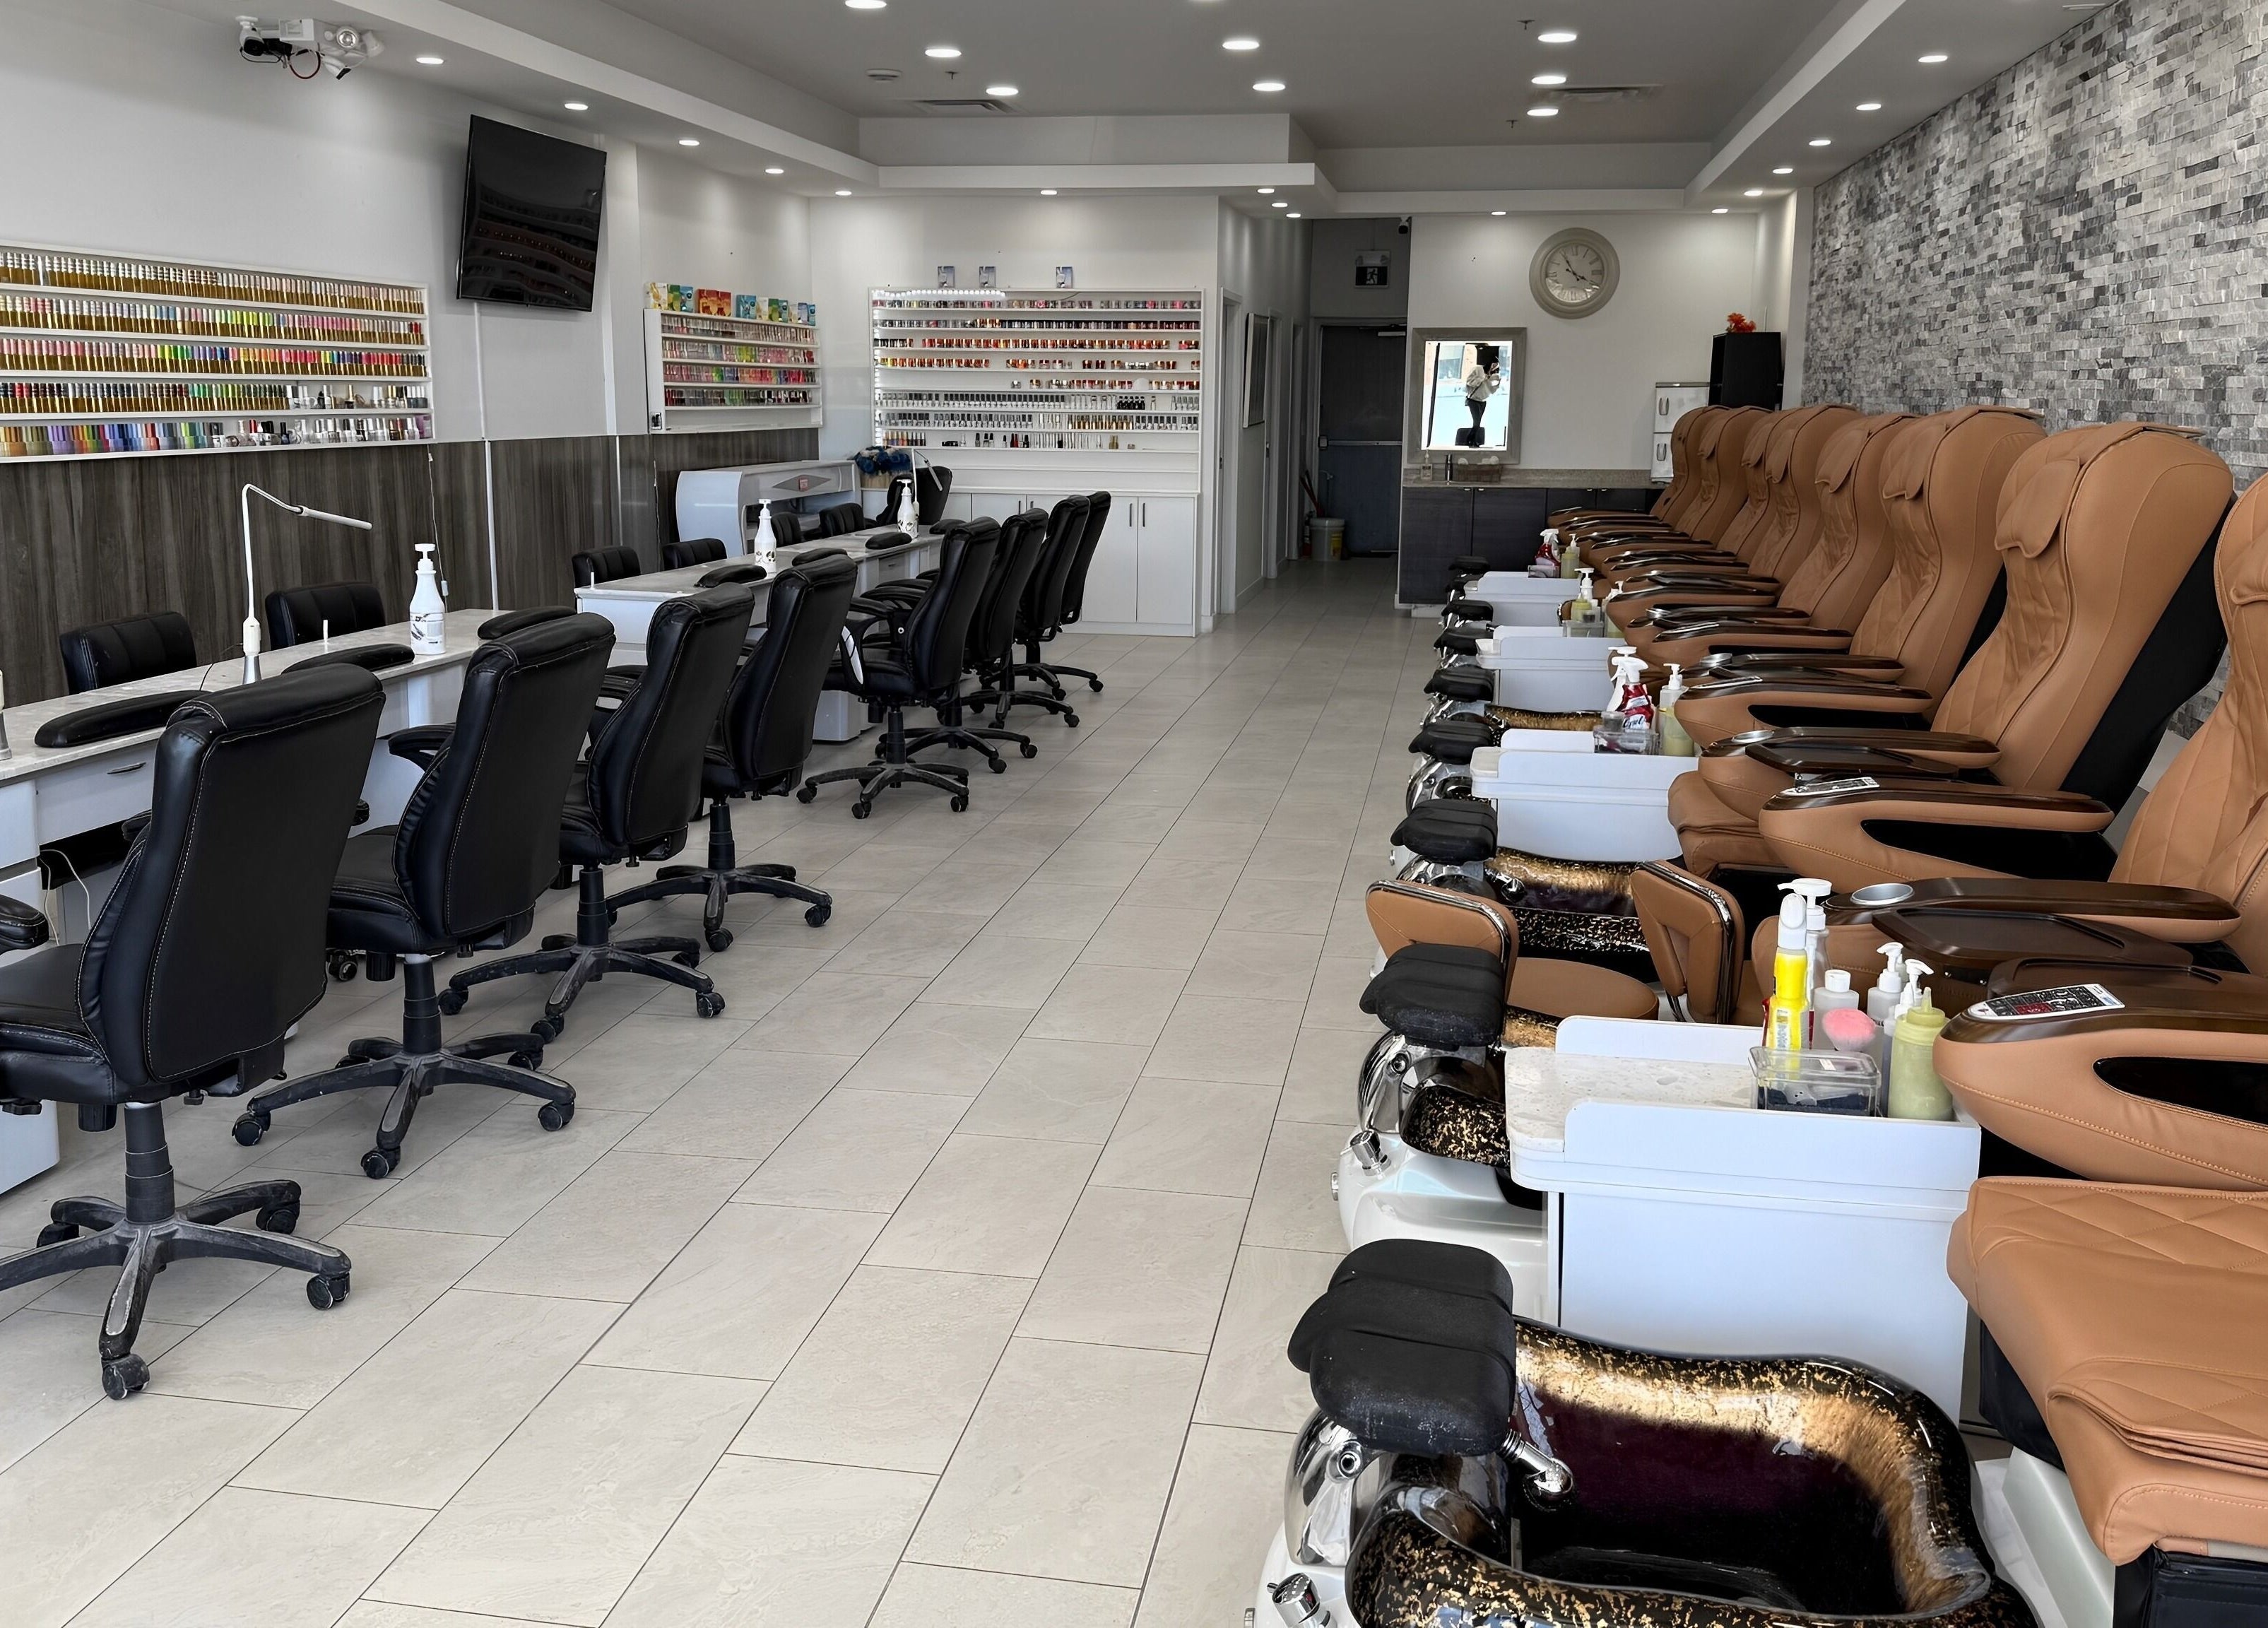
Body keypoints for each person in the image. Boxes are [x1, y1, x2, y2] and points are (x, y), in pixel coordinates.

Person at [1462, 343, 1501, 444]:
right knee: (1477, 423)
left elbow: (1490, 390)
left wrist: (1497, 384)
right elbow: (1471, 383)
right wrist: (1484, 378)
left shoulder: (1489, 374)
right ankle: (1469, 440)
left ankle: (1474, 441)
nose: (1493, 368)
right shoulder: (1478, 369)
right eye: (1493, 365)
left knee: (1478, 423)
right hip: (1474, 400)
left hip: (1483, 401)